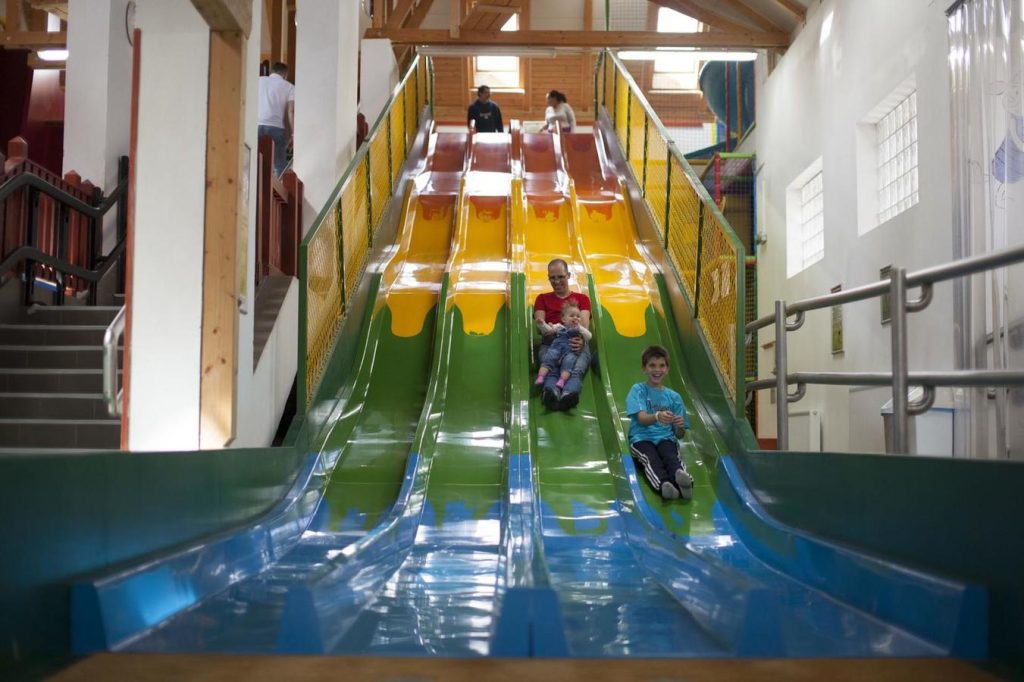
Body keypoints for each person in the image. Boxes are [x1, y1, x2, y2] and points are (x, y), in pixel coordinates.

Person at [626, 345, 694, 501]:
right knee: (651, 459)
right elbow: (642, 419)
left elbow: (680, 435)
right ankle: (664, 485)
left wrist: (680, 426)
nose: (657, 370)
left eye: (662, 365)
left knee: (671, 457)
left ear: (667, 369)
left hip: (665, 438)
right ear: (644, 368)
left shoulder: (674, 397)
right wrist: (657, 416)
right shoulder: (638, 390)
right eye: (652, 365)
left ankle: (684, 481)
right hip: (641, 438)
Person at [534, 259, 591, 409]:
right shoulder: (542, 299)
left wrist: (582, 342)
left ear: (568, 275)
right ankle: (550, 393)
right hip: (552, 343)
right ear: (548, 278)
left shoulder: (582, 299)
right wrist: (548, 328)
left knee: (575, 370)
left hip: (575, 343)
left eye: (561, 277)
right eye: (552, 278)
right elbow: (541, 326)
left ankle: (568, 394)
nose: (557, 281)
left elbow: (584, 326)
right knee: (550, 368)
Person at [535, 301, 592, 390]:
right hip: (556, 348)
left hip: (570, 351)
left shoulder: (579, 330)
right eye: (572, 316)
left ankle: (562, 380)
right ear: (564, 319)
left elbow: (589, 336)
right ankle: (541, 376)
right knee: (548, 359)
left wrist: (580, 327)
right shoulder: (559, 326)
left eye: (578, 316)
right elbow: (548, 330)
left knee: (568, 363)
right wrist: (542, 324)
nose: (575, 318)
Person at [258, 61, 295, 177]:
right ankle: (278, 184)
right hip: (277, 128)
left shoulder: (258, 81)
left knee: (254, 160)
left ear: (271, 71)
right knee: (279, 165)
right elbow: (290, 111)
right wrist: (293, 134)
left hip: (257, 125)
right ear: (285, 75)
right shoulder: (289, 87)